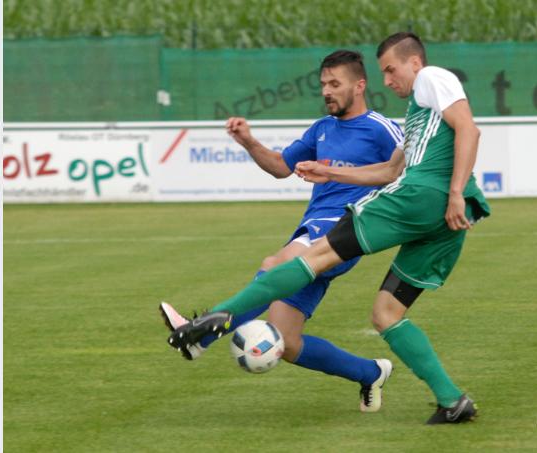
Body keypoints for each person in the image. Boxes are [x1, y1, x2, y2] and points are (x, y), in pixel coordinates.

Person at [167, 32, 491, 425]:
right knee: (385, 313)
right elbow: (390, 169)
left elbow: (469, 130)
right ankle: (451, 400)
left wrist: (454, 190)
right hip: (444, 221)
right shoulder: (414, 122)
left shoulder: (430, 77)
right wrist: (327, 170)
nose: (388, 80)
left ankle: (214, 321)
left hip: (421, 197)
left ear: (415, 63)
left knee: (306, 257)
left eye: (391, 70)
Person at [160, 50, 403, 413]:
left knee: (276, 263)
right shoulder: (321, 129)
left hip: (346, 226)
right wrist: (248, 141)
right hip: (311, 227)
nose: (327, 91)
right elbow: (280, 167)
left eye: (335, 84)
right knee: (286, 342)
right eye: (323, 84)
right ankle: (370, 373)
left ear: (360, 85)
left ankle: (201, 335)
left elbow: (405, 166)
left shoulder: (380, 128)